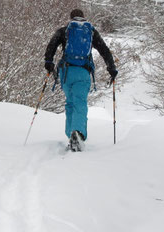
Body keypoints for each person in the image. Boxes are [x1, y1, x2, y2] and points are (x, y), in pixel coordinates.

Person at [44, 8, 118, 151]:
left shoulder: (65, 30)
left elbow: (51, 46)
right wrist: (112, 69)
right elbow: (104, 50)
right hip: (83, 72)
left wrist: (49, 63)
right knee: (80, 102)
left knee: (70, 102)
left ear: (70, 18)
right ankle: (77, 132)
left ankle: (71, 132)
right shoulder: (90, 31)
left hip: (66, 72)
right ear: (84, 17)